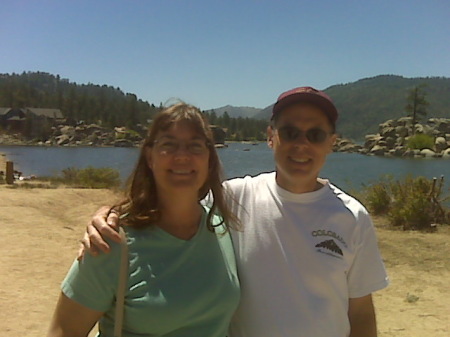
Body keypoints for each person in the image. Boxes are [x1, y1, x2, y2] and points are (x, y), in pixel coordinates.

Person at [82, 87, 389, 337]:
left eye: (315, 135)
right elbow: (171, 199)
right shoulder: (234, 197)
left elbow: (360, 312)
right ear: (271, 137)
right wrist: (112, 213)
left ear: (331, 143)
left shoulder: (352, 216)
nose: (301, 144)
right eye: (290, 132)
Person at [48, 103, 241, 337]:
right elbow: (64, 330)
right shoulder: (111, 241)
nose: (182, 156)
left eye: (195, 146)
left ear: (209, 158)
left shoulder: (220, 224)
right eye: (169, 145)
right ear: (150, 157)